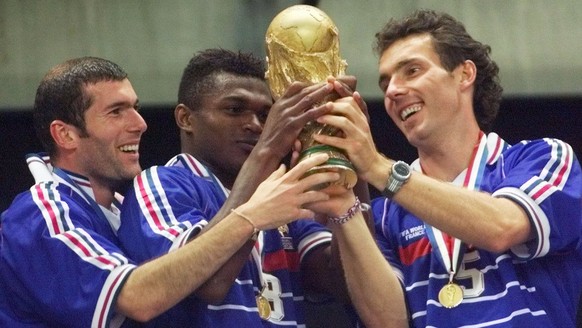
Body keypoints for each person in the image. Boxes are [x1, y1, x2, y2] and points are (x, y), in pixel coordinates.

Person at [0, 56, 340, 327]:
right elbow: (139, 298)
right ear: (66, 135)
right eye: (117, 111)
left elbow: (337, 281)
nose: (140, 123)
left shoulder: (115, 208)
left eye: (135, 107)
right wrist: (250, 215)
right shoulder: (43, 211)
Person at [310, 9, 582, 328]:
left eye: (412, 71)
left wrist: (377, 167)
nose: (393, 91)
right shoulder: (384, 216)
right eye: (385, 84)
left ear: (465, 74)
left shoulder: (544, 159)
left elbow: (501, 227)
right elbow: (388, 322)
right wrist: (345, 207)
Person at [117, 48, 366, 327]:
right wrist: (268, 149)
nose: (255, 125)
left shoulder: (280, 193)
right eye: (235, 110)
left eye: (265, 114)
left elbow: (347, 284)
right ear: (186, 119)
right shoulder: (163, 184)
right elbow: (210, 283)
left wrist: (353, 163)